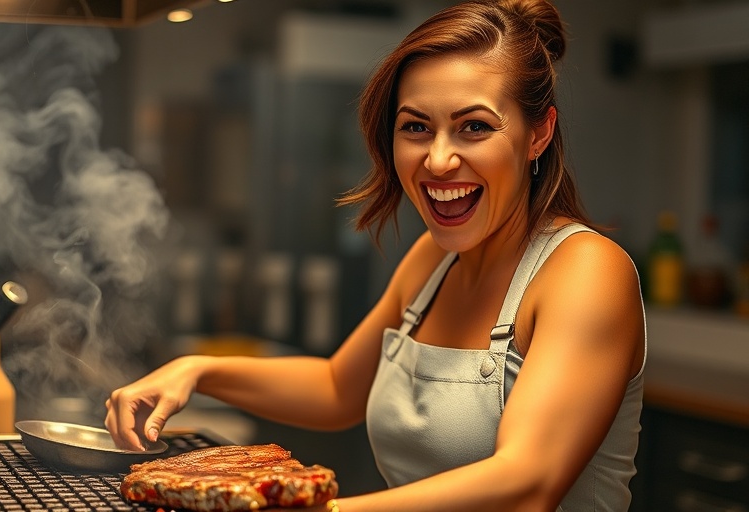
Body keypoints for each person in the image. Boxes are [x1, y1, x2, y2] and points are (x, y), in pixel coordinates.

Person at [105, 0, 646, 510]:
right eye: (416, 127)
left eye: (474, 127)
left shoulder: (586, 271)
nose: (437, 160)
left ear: (538, 134)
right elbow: (338, 387)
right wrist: (198, 370)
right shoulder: (431, 261)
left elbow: (526, 484)